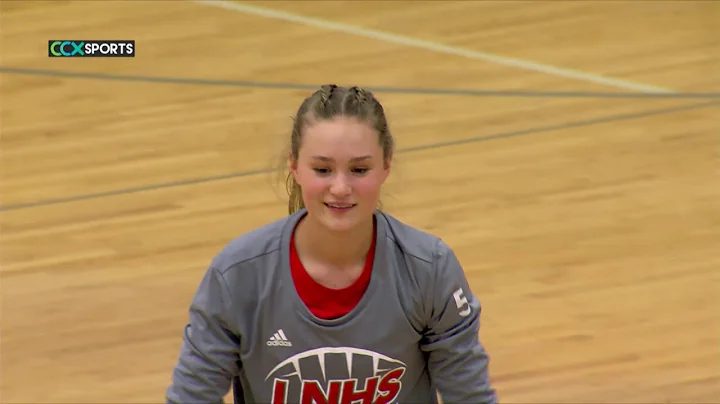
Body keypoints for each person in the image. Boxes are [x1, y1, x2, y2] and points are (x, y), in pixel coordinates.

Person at [166, 84, 497, 404]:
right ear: (295, 166)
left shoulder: (428, 270)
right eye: (322, 169)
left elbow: (468, 396)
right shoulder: (238, 275)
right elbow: (192, 396)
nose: (340, 187)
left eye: (359, 169)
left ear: (386, 165)